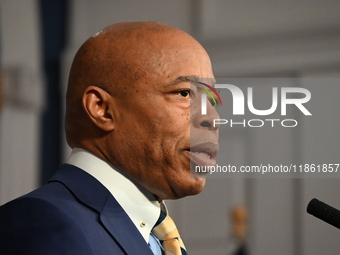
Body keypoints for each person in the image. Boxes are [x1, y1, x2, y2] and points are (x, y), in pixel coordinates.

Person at [0, 22, 219, 255]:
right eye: (184, 93)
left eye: (212, 100)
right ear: (101, 109)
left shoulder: (155, 237)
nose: (213, 119)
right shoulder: (42, 224)